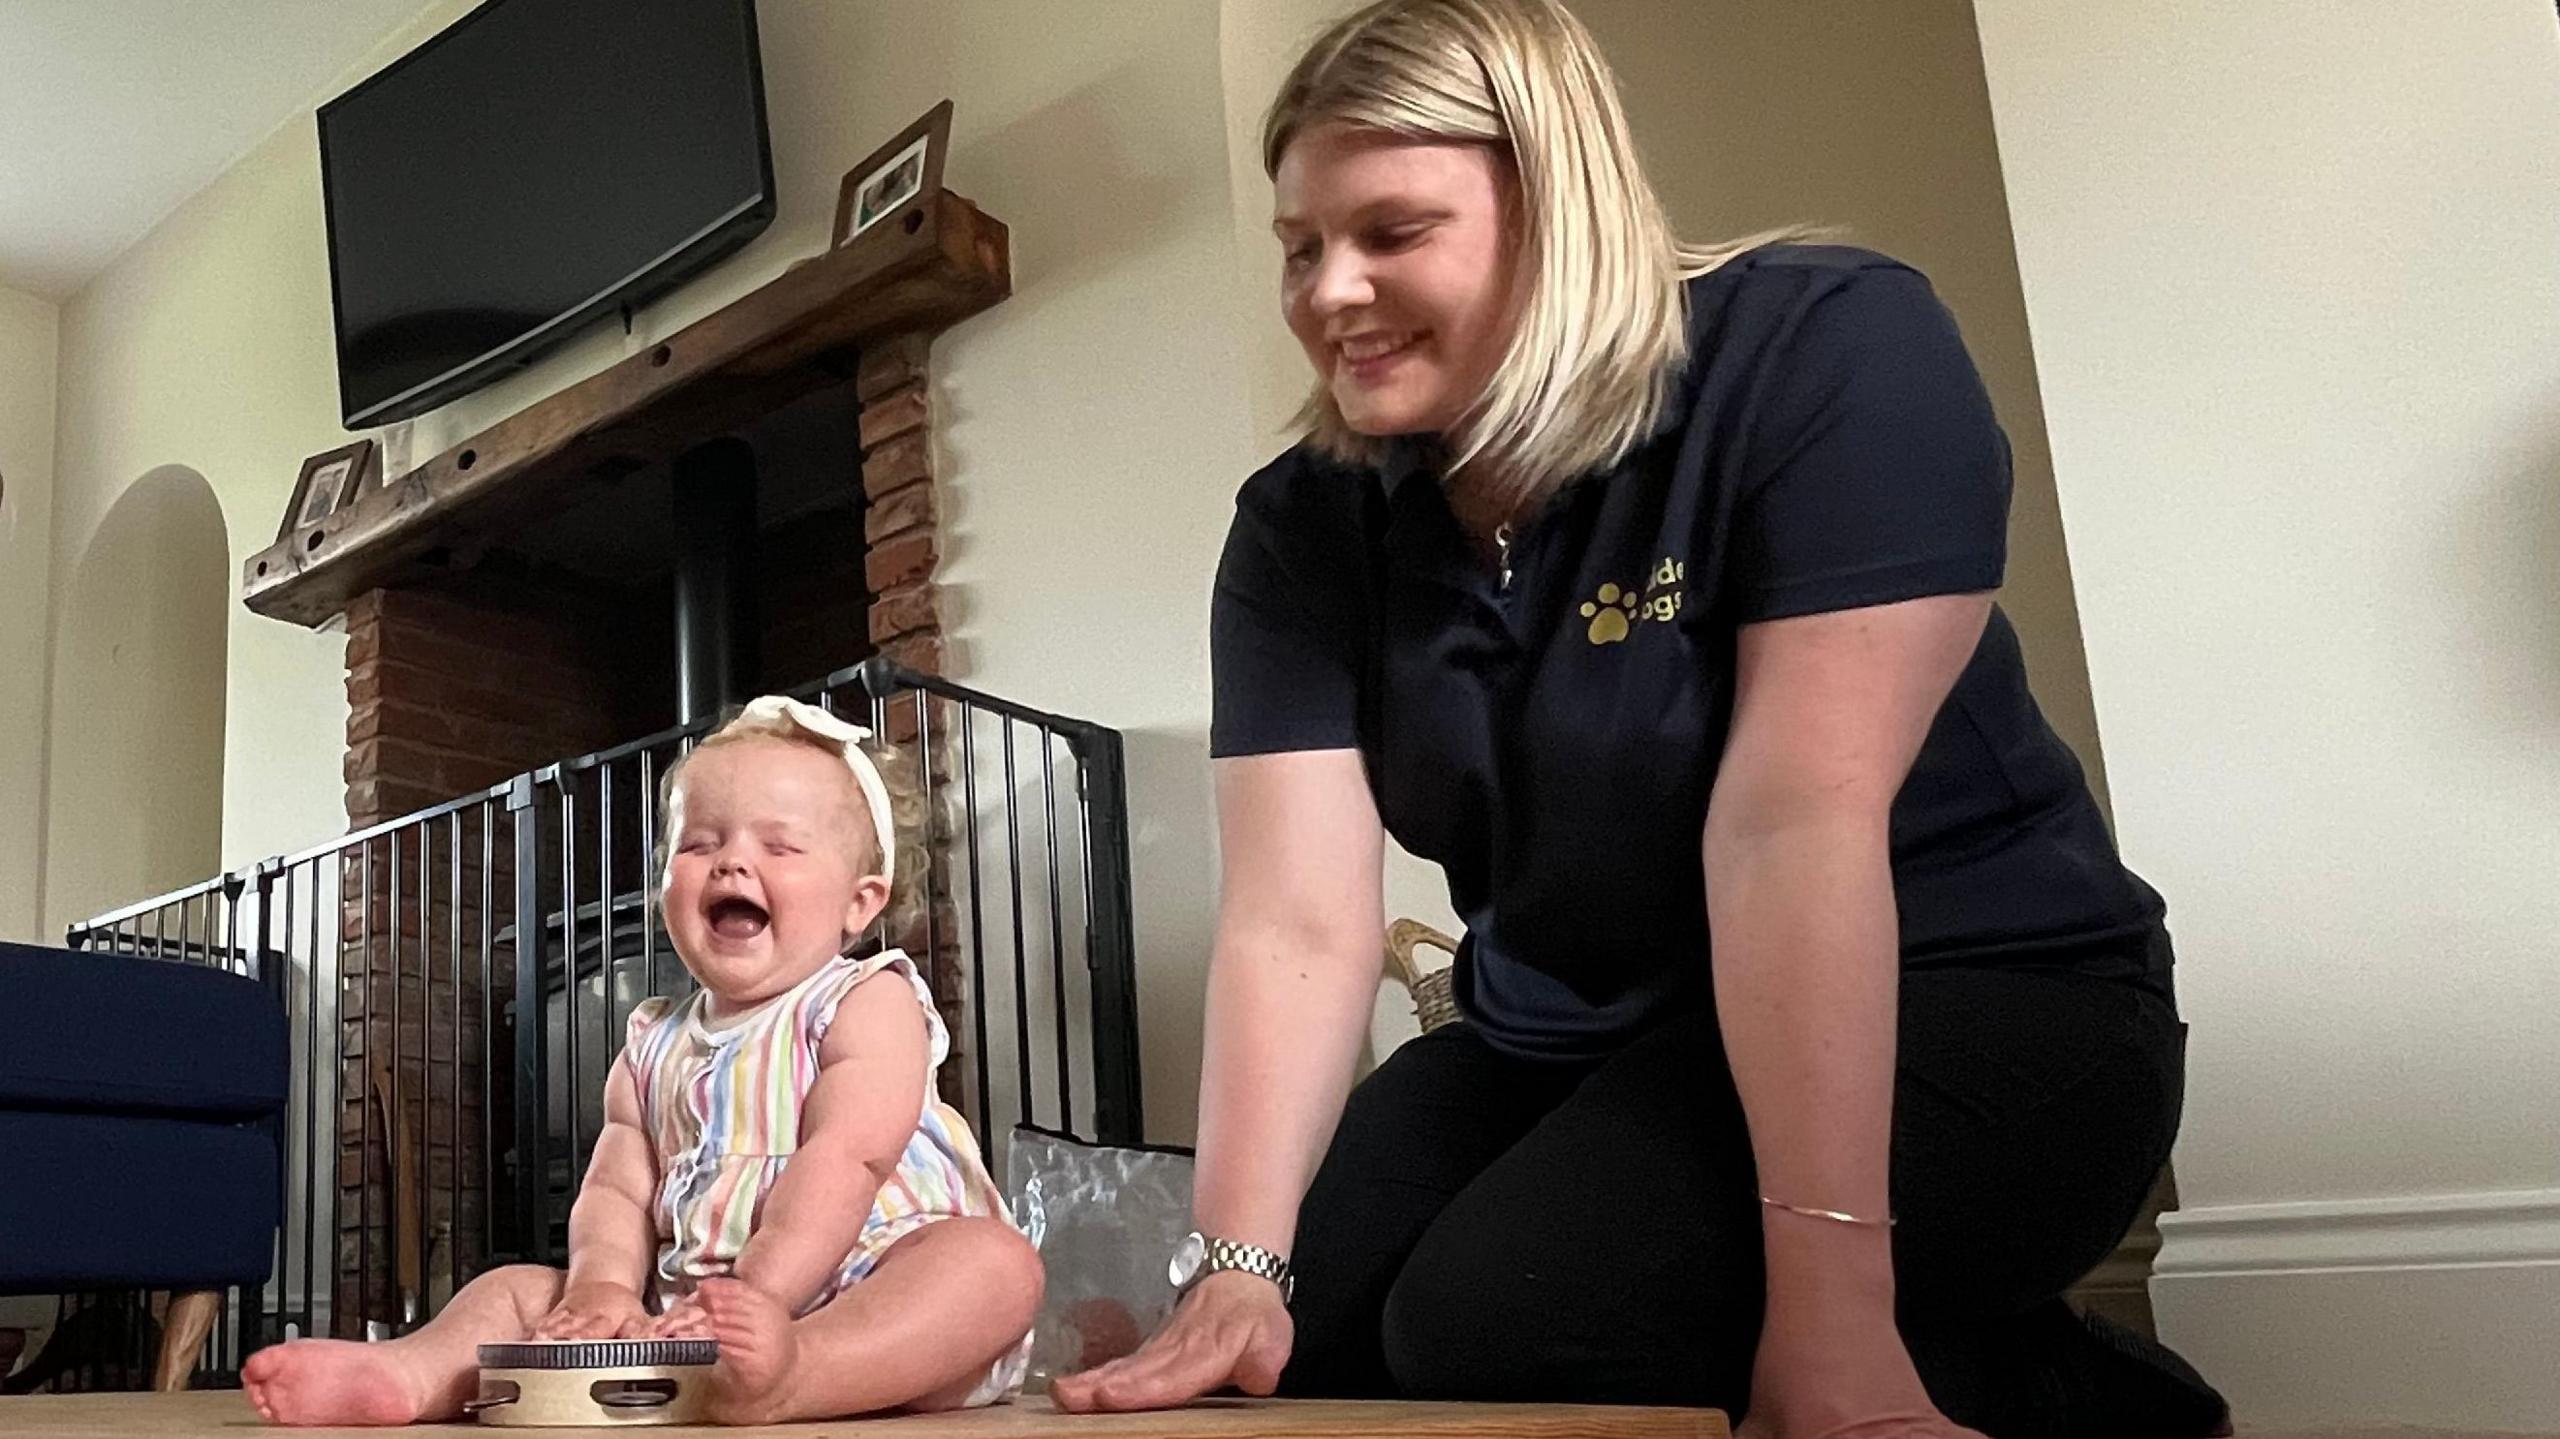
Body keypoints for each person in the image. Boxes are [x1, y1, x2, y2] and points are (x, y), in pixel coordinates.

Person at [1051, 2, 2230, 1436]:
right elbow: (1295, 921)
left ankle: (2077, 1390)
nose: (1327, 291)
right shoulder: (1305, 524)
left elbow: (1792, 826)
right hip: (1581, 1041)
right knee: (1308, 1340)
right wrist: (1236, 1266)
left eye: (1391, 231)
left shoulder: (1828, 348)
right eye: (1302, 245)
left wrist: (1834, 1315)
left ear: (1561, 203)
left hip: (1979, 993)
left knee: (1510, 1322)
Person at [243, 697, 1040, 1426]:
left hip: (864, 1285)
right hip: (688, 1307)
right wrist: (603, 1288)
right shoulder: (654, 1039)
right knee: (517, 1287)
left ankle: (802, 1374)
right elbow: (618, 1186)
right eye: (700, 842)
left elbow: (849, 1156)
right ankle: (412, 1374)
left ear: (861, 903)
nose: (731, 863)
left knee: (992, 1267)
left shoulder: (866, 1001)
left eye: (779, 845)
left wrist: (761, 1292)